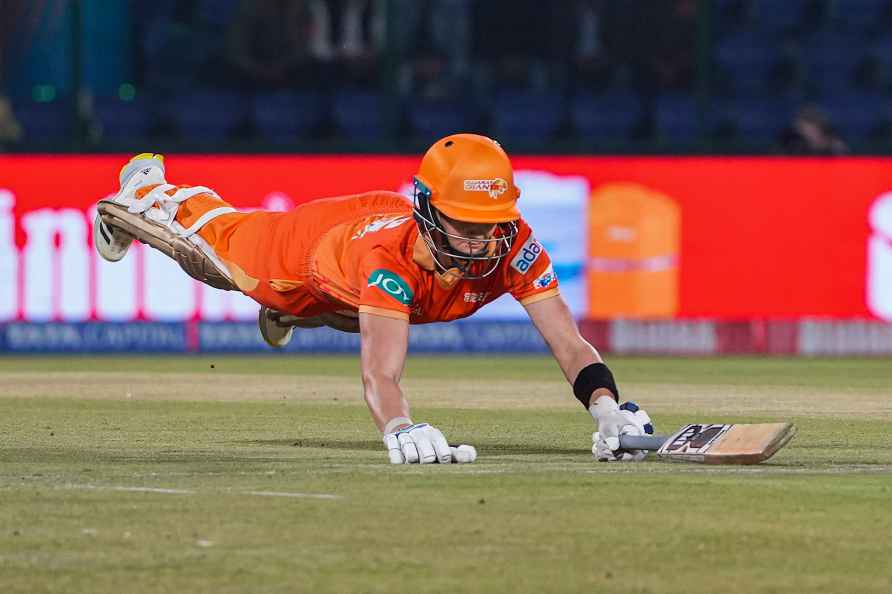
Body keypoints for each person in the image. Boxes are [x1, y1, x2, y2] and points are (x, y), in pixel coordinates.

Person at [93, 133, 654, 465]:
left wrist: (607, 410)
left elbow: (569, 342)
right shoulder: (389, 262)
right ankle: (152, 190)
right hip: (315, 254)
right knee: (220, 262)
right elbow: (380, 376)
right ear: (431, 214)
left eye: (494, 224)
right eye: (467, 225)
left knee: (334, 312)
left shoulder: (514, 247)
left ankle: (291, 314)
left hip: (370, 242)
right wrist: (400, 427)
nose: (483, 242)